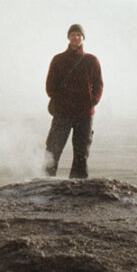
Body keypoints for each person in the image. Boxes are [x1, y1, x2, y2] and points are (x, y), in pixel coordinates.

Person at [44, 24, 103, 178]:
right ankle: (44, 184)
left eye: (79, 35)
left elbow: (98, 84)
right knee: (53, 150)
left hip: (84, 114)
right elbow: (50, 86)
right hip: (63, 113)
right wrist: (60, 101)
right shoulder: (58, 60)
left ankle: (79, 190)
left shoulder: (91, 60)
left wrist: (92, 101)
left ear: (83, 38)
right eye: (73, 34)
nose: (76, 37)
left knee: (81, 153)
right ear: (68, 37)